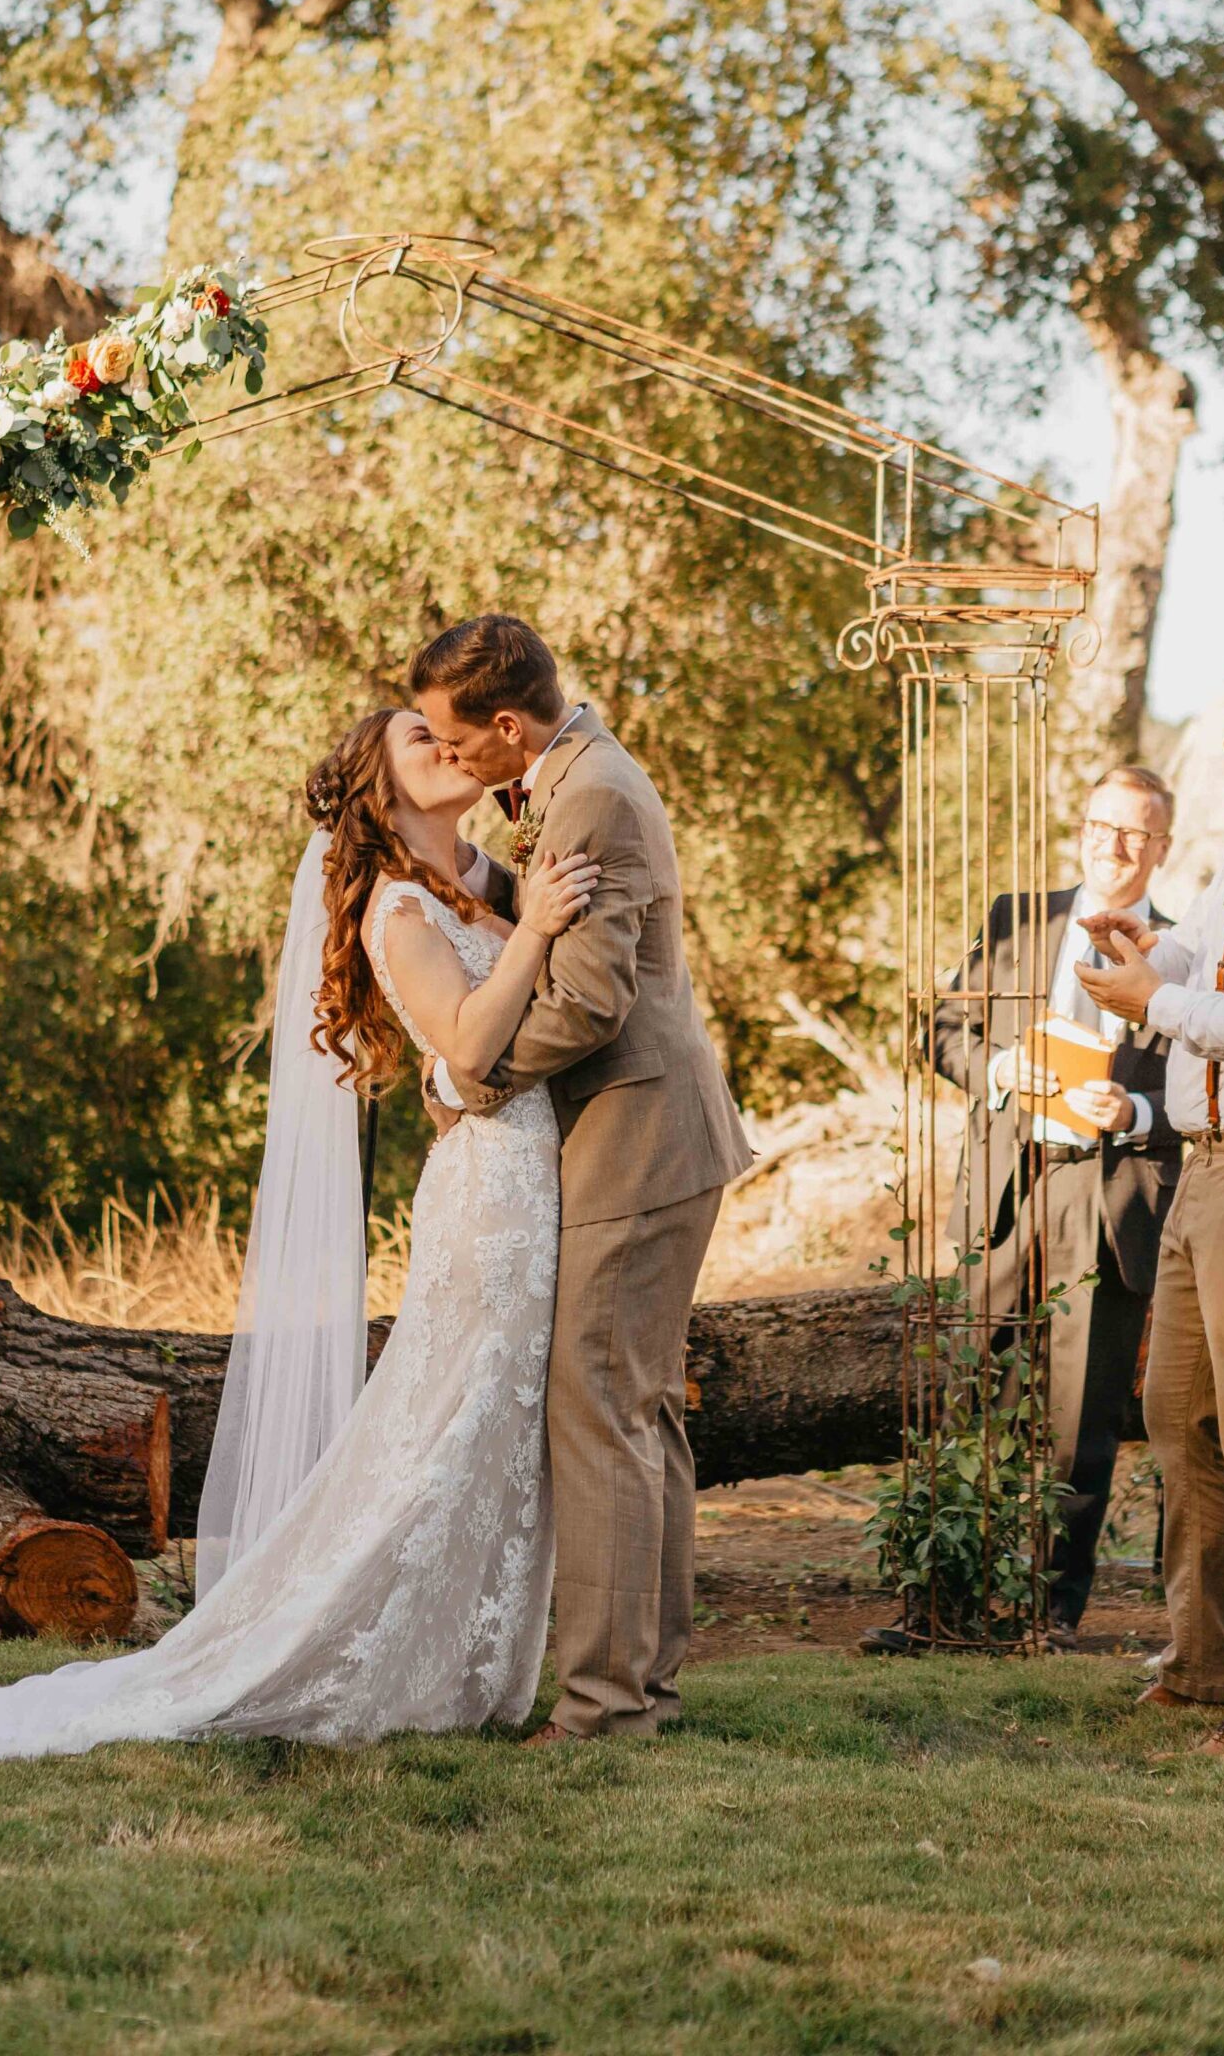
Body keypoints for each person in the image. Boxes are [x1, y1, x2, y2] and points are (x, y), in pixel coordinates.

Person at [0, 707, 595, 1760]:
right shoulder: (395, 908)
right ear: (380, 790)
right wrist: (531, 936)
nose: (445, 743)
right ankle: (348, 1649)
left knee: (493, 1431)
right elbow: (470, 1050)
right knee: (445, 1430)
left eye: (446, 730)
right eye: (417, 739)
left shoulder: (491, 874)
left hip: (539, 1184)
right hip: (490, 1207)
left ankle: (469, 1658)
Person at [411, 616, 751, 1743]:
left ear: (508, 728)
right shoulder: (574, 782)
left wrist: (475, 1075)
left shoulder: (592, 793)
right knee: (637, 1405)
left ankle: (607, 1704)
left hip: (639, 1134)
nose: (454, 763)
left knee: (601, 1404)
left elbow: (595, 999)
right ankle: (644, 1679)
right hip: (644, 1133)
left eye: (461, 745)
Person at [889, 767, 1182, 1646]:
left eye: (1135, 833)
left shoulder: (1181, 948)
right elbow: (939, 1031)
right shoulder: (1016, 917)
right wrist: (1000, 1070)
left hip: (1108, 1197)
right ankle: (934, 1606)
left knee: (1077, 1430)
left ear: (1161, 848)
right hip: (1002, 1193)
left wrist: (1134, 1111)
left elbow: (1216, 1088)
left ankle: (1043, 1617)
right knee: (962, 1400)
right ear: (1080, 827)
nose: (1113, 845)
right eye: (1101, 825)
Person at [1078, 650, 1224, 1759]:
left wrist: (1153, 998)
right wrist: (1148, 952)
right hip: (1206, 1170)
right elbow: (1210, 963)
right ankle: (1206, 1662)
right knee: (1178, 1417)